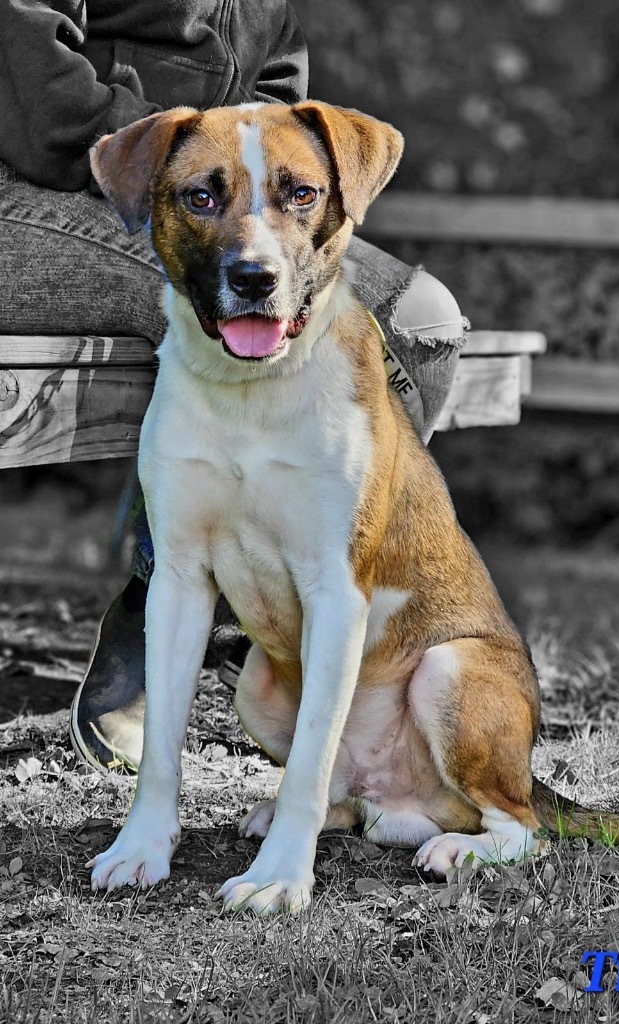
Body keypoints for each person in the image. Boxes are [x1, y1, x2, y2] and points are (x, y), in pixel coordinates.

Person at [0, 0, 466, 770]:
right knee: (218, 289)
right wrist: (188, 153)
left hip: (202, 193)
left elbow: (277, 93)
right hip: (38, 189)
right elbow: (43, 102)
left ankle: (275, 620)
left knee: (418, 325)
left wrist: (252, 175)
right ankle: (176, 593)